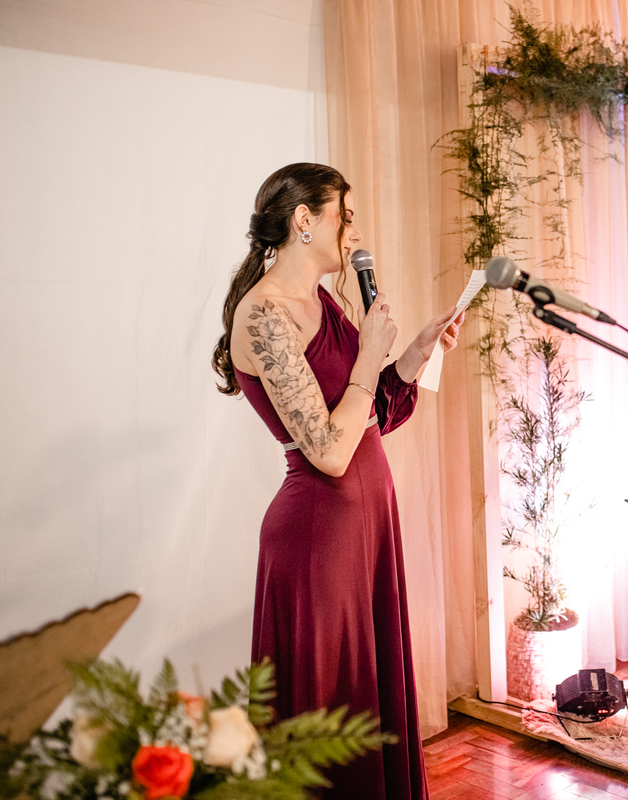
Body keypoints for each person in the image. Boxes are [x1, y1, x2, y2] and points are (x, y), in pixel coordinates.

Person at [211, 163, 464, 798]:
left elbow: (373, 414)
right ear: (304, 220)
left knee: (366, 707)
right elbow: (327, 449)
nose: (353, 231)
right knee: (331, 716)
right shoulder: (263, 315)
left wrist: (415, 353)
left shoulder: (323, 302)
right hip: (317, 540)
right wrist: (370, 355)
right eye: (343, 216)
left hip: (366, 529)